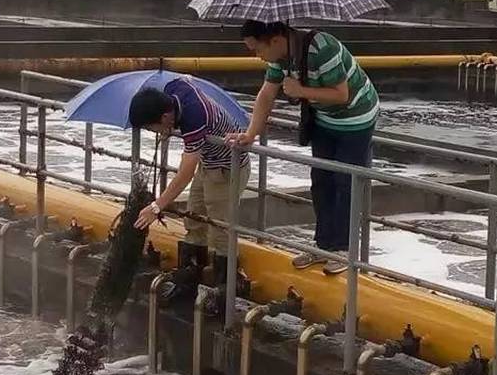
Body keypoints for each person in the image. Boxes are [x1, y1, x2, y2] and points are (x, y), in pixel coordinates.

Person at [228, 20, 379, 273]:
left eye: (257, 49)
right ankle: (322, 244)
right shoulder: (280, 58)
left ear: (275, 40)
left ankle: (343, 249)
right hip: (324, 120)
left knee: (345, 182)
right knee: (320, 180)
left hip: (356, 118)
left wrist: (301, 89)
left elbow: (342, 94)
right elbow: (266, 94)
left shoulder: (322, 48)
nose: (257, 56)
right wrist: (251, 133)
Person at [130, 76, 251, 300]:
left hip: (227, 168)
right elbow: (187, 79)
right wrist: (169, 127)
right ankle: (189, 282)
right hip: (208, 163)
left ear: (165, 116)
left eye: (152, 126)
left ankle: (226, 294)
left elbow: (185, 172)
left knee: (220, 227)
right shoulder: (173, 88)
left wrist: (156, 207)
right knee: (193, 217)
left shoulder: (195, 117)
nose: (153, 131)